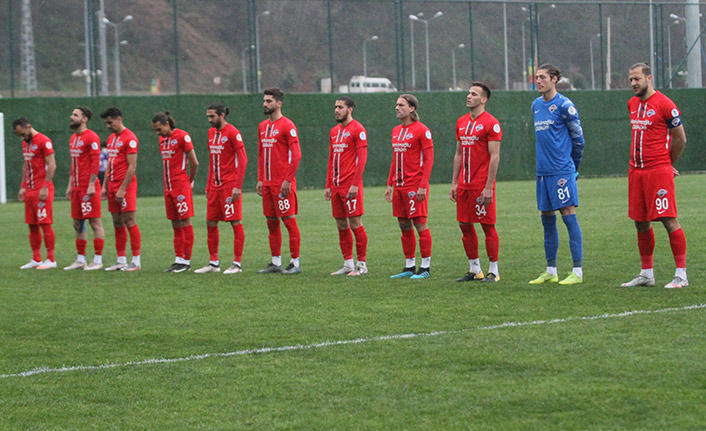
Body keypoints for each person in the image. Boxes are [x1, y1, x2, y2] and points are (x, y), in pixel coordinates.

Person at [621, 63, 688, 289]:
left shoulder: (665, 104)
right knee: (640, 222)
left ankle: (681, 275)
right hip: (636, 171)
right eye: (630, 80)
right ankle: (646, 274)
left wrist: (667, 164)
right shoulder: (631, 104)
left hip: (657, 171)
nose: (633, 83)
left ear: (649, 78)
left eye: (637, 79)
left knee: (669, 220)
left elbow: (680, 138)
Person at [528, 64, 585, 285]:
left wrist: (573, 167)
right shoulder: (535, 105)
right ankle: (551, 270)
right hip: (543, 172)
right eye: (536, 77)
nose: (538, 81)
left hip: (562, 170)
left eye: (542, 77)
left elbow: (579, 140)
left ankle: (577, 271)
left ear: (554, 79)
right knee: (547, 218)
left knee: (568, 216)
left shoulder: (564, 105)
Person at [450, 82, 502, 283]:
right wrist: (454, 182)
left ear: (484, 99)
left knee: (487, 225)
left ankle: (494, 271)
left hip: (481, 185)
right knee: (464, 224)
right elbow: (458, 153)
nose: (469, 96)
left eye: (474, 94)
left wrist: (489, 187)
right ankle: (474, 269)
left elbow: (495, 156)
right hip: (464, 184)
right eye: (469, 93)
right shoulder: (461, 122)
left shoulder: (491, 123)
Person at [194, 103, 247, 274]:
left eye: (212, 116)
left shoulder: (233, 133)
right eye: (208, 117)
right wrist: (209, 185)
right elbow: (212, 161)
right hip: (215, 186)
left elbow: (243, 159)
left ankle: (237, 264)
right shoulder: (211, 133)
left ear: (222, 115)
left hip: (229, 185)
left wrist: (237, 186)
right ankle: (213, 263)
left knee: (235, 221)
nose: (209, 120)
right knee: (210, 222)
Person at [385, 94, 434, 279]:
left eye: (401, 105)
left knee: (420, 224)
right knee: (403, 224)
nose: (397, 108)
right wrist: (390, 183)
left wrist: (422, 185)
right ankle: (409, 266)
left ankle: (425, 267)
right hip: (399, 186)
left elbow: (429, 159)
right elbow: (395, 158)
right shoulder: (396, 130)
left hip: (415, 186)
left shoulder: (422, 130)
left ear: (412, 108)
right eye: (396, 105)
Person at [256, 88, 302, 275]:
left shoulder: (287, 125)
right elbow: (260, 154)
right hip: (267, 183)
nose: (265, 104)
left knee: (288, 221)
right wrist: (260, 179)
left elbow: (297, 154)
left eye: (269, 101)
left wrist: (288, 179)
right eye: (265, 101)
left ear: (279, 103)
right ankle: (275, 262)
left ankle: (295, 263)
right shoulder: (262, 126)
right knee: (271, 222)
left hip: (282, 183)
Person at [325, 96, 369, 276]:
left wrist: (355, 183)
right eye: (335, 107)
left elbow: (362, 159)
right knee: (341, 225)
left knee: (355, 223)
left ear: (350, 109)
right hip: (335, 186)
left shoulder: (358, 129)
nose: (336, 110)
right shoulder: (334, 131)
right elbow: (331, 158)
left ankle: (362, 265)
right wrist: (328, 184)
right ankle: (348, 263)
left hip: (350, 185)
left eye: (340, 107)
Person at [152, 112, 200, 273]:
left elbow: (194, 162)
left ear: (166, 124)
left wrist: (189, 180)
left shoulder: (182, 136)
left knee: (185, 221)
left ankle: (186, 261)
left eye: (159, 129)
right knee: (175, 223)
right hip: (168, 187)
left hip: (180, 186)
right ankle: (178, 259)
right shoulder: (162, 140)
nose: (158, 133)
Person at [63, 106, 106, 271]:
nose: (71, 116)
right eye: (72, 114)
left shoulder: (91, 137)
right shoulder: (73, 138)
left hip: (88, 187)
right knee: (77, 222)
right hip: (76, 187)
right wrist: (69, 185)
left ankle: (98, 259)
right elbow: (74, 165)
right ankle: (81, 259)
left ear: (84, 119)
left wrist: (91, 184)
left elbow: (95, 163)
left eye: (75, 115)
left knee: (94, 221)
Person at [100, 107, 142, 271]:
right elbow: (109, 163)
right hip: (112, 185)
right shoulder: (111, 139)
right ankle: (121, 260)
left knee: (129, 221)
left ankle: (136, 261)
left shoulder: (130, 138)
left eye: (110, 122)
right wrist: (104, 186)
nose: (108, 126)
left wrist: (123, 189)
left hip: (126, 185)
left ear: (118, 119)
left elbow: (132, 166)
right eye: (106, 123)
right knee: (117, 222)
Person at [13, 118, 57, 270]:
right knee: (31, 225)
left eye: (23, 134)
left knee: (45, 223)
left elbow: (52, 165)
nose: (22, 138)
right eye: (19, 135)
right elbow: (26, 165)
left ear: (29, 127)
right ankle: (36, 258)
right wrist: (23, 186)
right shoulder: (26, 142)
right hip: (30, 190)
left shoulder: (44, 141)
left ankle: (51, 259)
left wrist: (45, 186)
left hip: (42, 189)